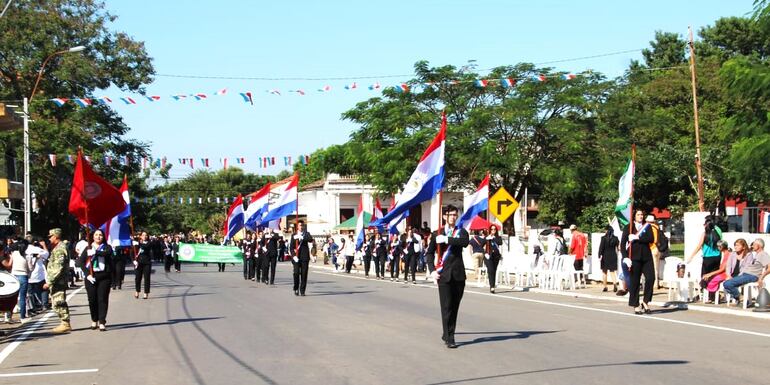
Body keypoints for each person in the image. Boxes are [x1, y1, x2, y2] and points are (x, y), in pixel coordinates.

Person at [433, 205, 470, 348]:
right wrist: (432, 270)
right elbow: (429, 253)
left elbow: (464, 242)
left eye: (455, 215)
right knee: (446, 307)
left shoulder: (460, 231)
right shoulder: (437, 233)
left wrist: (447, 240)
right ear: (444, 217)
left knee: (454, 307)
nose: (453, 217)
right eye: (450, 215)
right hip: (444, 276)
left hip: (459, 275)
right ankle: (450, 337)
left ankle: (447, 332)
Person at [621, 210, 655, 314]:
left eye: (642, 214)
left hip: (646, 257)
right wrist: (625, 257)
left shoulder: (647, 226)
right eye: (638, 215)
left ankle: (645, 301)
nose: (640, 216)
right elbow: (622, 244)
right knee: (635, 282)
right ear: (634, 216)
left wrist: (638, 237)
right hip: (634, 258)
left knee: (650, 278)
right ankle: (635, 304)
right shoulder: (629, 227)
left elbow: (651, 239)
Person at [78, 229, 113, 331]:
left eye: (100, 235)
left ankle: (102, 321)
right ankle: (94, 320)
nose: (98, 237)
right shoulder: (88, 248)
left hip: (104, 276)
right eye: (96, 235)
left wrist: (96, 252)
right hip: (91, 277)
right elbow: (80, 262)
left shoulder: (106, 247)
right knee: (92, 299)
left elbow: (107, 253)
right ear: (93, 237)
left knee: (102, 299)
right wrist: (87, 274)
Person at [722, 239, 770, 305]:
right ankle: (741, 299)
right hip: (746, 274)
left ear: (758, 246)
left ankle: (740, 298)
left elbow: (769, 268)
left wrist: (761, 277)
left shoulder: (763, 254)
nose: (752, 246)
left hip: (752, 275)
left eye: (754, 244)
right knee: (727, 283)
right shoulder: (757, 254)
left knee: (727, 284)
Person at [685, 215, 723, 290]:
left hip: (707, 258)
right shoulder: (718, 230)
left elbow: (699, 246)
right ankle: (712, 294)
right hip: (717, 256)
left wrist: (691, 256)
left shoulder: (705, 233)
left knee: (704, 276)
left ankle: (704, 291)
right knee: (714, 275)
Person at [45, 228, 71, 334]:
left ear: (56, 236)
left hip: (58, 281)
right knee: (56, 302)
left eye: (50, 236)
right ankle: (63, 322)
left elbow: (58, 267)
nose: (49, 238)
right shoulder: (58, 247)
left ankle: (65, 323)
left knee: (59, 302)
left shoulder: (60, 249)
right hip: (57, 280)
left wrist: (50, 281)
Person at [291, 221, 315, 296]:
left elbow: (310, 239)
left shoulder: (306, 234)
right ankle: (296, 288)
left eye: (302, 225)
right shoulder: (294, 235)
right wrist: (293, 255)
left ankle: (302, 290)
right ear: (297, 226)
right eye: (300, 225)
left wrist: (302, 237)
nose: (301, 227)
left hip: (304, 256)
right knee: (296, 273)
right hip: (296, 257)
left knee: (304, 274)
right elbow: (291, 247)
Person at [27, 239, 50, 315]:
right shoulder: (37, 249)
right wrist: (43, 245)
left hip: (28, 274)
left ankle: (33, 307)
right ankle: (44, 304)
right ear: (34, 242)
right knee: (44, 289)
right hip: (38, 273)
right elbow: (47, 254)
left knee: (30, 292)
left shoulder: (24, 249)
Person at [597, 226, 619, 292]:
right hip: (613, 256)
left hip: (605, 256)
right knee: (612, 272)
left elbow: (601, 248)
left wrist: (599, 255)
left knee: (604, 272)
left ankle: (605, 286)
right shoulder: (616, 238)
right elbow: (619, 247)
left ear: (607, 231)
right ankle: (615, 284)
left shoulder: (603, 238)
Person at [484, 225, 502, 293]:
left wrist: (493, 238)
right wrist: (484, 253)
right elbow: (481, 244)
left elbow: (500, 242)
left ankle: (493, 285)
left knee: (494, 271)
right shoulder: (487, 237)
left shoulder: (498, 237)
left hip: (496, 256)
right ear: (490, 230)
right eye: (492, 229)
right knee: (490, 270)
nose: (493, 230)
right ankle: (492, 287)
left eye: (494, 229)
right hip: (488, 256)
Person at [134, 231, 152, 299]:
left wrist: (138, 243)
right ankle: (137, 291)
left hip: (147, 263)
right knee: (138, 278)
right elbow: (132, 252)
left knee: (147, 278)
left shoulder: (149, 243)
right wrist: (133, 260)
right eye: (143, 235)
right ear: (141, 236)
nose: (145, 236)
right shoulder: (137, 244)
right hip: (138, 262)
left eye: (146, 235)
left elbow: (145, 247)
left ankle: (146, 293)